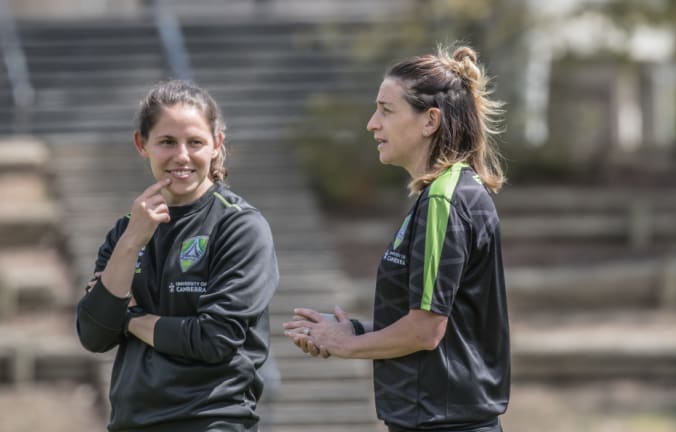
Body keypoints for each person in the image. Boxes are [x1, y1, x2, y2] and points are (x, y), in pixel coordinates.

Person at [283, 44, 511, 432]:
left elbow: (425, 332)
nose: (373, 124)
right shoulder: (440, 194)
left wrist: (346, 346)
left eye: (386, 110)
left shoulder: (445, 198)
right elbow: (440, 323)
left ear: (430, 121)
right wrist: (352, 330)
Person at [76, 80, 279, 432]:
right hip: (130, 423)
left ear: (216, 145)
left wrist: (130, 319)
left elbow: (213, 338)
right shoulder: (127, 229)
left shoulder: (240, 226)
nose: (182, 156)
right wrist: (131, 242)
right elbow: (94, 335)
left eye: (195, 142)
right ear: (142, 144)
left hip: (211, 422)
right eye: (167, 142)